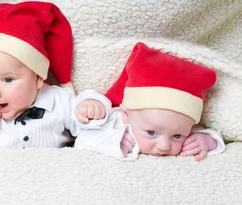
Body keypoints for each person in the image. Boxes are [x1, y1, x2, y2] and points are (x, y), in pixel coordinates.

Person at [0, 1, 111, 149]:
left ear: (38, 78)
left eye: (7, 79)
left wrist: (92, 105)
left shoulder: (57, 99)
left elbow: (87, 124)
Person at [75, 42, 225, 161]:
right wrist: (113, 143)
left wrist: (207, 141)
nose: (164, 146)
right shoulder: (115, 121)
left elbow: (205, 133)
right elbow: (81, 141)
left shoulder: (177, 124)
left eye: (177, 136)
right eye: (151, 133)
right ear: (126, 114)